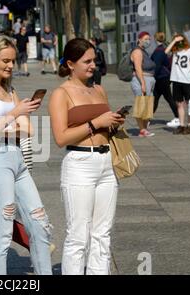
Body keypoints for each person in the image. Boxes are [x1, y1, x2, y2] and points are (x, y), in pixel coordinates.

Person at [0, 36, 52, 275]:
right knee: (2, 232)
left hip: (18, 161)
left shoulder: (10, 89)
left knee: (40, 225)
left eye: (13, 61)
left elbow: (28, 129)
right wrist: (14, 114)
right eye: (5, 60)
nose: (10, 66)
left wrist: (2, 124)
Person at [49, 38, 125, 275]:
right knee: (78, 235)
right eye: (87, 61)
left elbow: (105, 124)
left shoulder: (99, 89)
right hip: (80, 164)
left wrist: (113, 122)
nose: (93, 65)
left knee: (102, 233)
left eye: (95, 60)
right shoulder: (61, 94)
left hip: (106, 162)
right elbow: (61, 138)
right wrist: (95, 123)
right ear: (71, 64)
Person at [165, 34, 190, 135]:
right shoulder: (174, 51)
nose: (179, 43)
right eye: (177, 42)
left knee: (189, 104)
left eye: (181, 41)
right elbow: (166, 52)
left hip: (187, 81)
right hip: (176, 80)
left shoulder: (189, 51)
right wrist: (174, 41)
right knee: (179, 103)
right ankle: (182, 125)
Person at [130, 31, 157, 137]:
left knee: (147, 105)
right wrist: (143, 83)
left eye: (149, 39)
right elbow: (138, 68)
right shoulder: (137, 51)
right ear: (139, 40)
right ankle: (142, 129)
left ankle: (144, 129)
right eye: (145, 39)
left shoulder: (143, 51)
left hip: (148, 79)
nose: (148, 41)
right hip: (141, 79)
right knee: (141, 104)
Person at [151, 32, 179, 127]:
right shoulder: (163, 49)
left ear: (155, 39)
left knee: (168, 98)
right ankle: (148, 118)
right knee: (156, 98)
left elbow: (157, 66)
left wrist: (153, 77)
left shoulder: (159, 51)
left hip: (161, 78)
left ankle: (178, 117)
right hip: (163, 77)